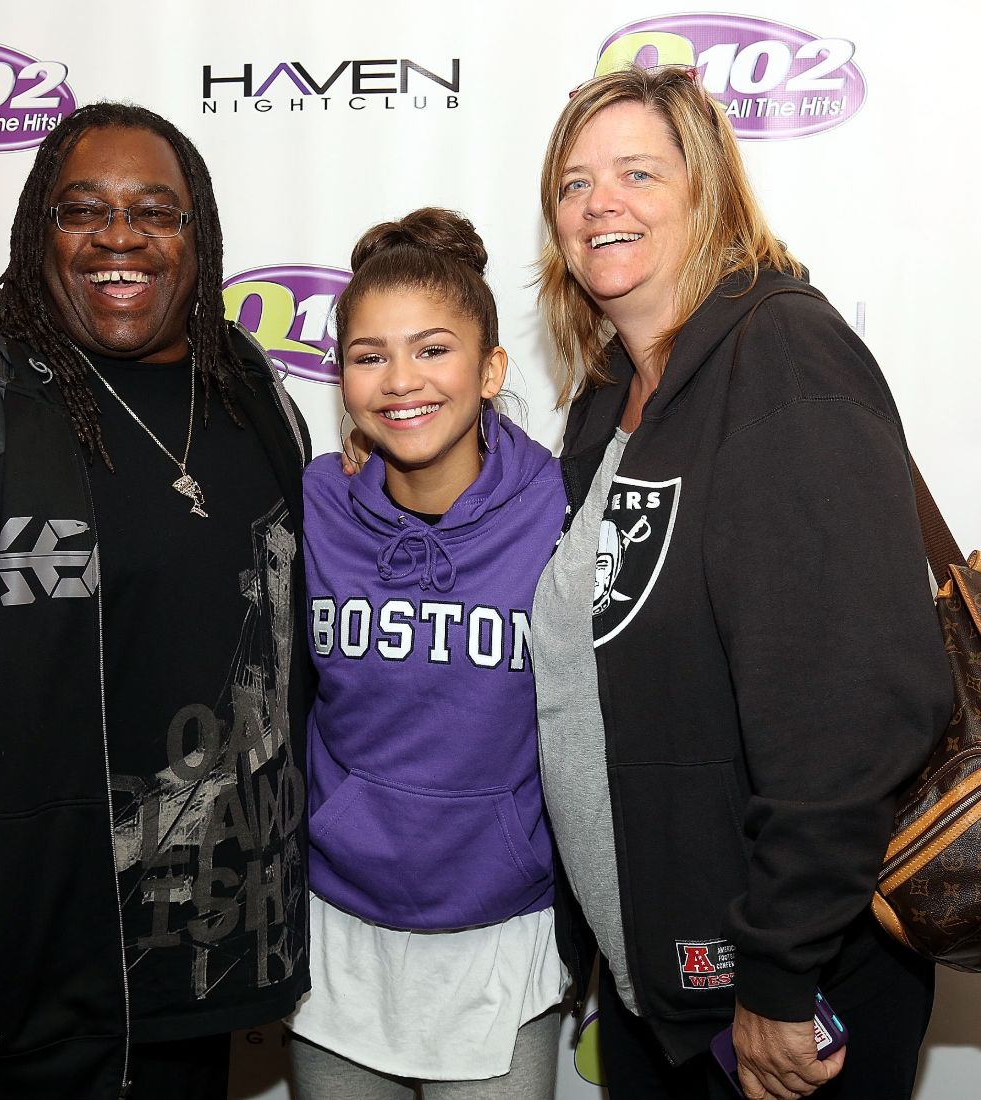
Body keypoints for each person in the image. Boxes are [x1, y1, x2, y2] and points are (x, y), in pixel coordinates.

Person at [0, 102, 311, 1100]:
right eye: (84, 209)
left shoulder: (260, 406)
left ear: (195, 238)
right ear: (41, 234)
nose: (120, 235)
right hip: (6, 1026)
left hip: (204, 995)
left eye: (155, 211)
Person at [531, 66, 951, 1100]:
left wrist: (777, 969)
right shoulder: (605, 402)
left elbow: (852, 702)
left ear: (707, 188)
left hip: (785, 990)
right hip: (656, 982)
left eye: (637, 171)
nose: (601, 204)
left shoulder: (783, 356)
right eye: (574, 184)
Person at [288, 208, 572, 1099]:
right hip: (335, 930)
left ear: (491, 371)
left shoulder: (559, 510)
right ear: (341, 380)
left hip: (500, 931)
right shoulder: (315, 505)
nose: (400, 381)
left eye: (433, 350)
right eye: (370, 356)